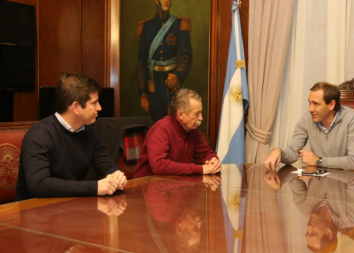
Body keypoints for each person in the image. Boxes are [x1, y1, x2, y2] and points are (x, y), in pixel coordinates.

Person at [14, 73, 127, 201]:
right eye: (94, 103)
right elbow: (38, 185)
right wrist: (95, 187)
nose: (99, 108)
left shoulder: (89, 132)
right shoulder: (39, 135)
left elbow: (106, 165)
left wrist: (116, 175)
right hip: (31, 212)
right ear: (76, 107)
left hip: (70, 207)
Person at [264, 82, 354, 171]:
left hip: (348, 183)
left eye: (316, 104)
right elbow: (293, 153)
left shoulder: (353, 118)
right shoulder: (306, 120)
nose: (310, 109)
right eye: (310, 103)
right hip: (319, 183)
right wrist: (278, 151)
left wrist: (318, 161)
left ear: (331, 104)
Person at [133, 89, 221, 178]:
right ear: (180, 115)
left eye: (200, 112)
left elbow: (204, 153)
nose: (201, 118)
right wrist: (200, 169)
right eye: (196, 114)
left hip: (175, 185)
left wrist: (213, 160)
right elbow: (159, 166)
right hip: (147, 187)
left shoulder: (192, 129)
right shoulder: (161, 129)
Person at [137, 0, 193, 122]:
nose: (167, 1)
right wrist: (143, 94)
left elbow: (186, 56)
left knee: (174, 123)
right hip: (153, 85)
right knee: (156, 124)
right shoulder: (147, 26)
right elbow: (141, 62)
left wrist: (177, 76)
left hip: (172, 84)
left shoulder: (179, 24)